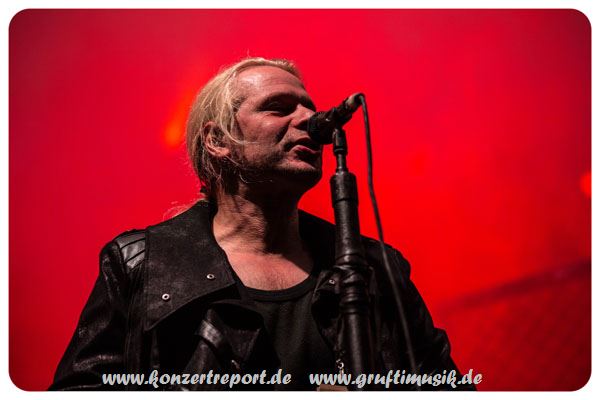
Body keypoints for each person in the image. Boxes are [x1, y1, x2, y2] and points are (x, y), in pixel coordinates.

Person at [50, 57, 473, 390]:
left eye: (309, 107)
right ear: (217, 140)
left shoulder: (377, 268)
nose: (309, 120)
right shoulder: (142, 264)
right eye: (279, 108)